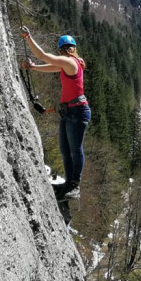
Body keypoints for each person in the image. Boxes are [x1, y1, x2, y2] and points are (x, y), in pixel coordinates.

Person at [21, 26, 91, 200]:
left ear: (62, 50)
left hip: (77, 111)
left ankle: (74, 185)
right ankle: (69, 184)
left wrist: (28, 37)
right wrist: (34, 68)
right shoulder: (68, 64)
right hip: (71, 111)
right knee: (66, 150)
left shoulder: (70, 62)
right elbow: (50, 66)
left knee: (74, 150)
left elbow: (44, 56)